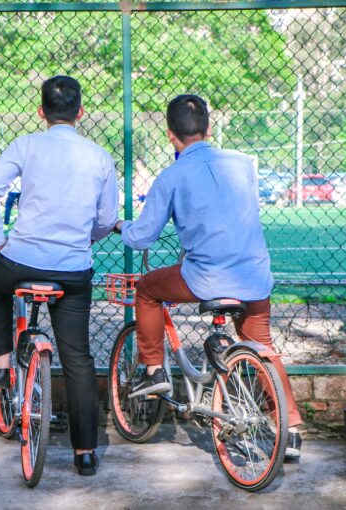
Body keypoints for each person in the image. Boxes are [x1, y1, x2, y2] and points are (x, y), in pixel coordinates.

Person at [113, 94, 303, 461]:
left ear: (170, 135)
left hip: (207, 277)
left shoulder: (171, 176)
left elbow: (142, 237)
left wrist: (121, 225)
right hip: (254, 275)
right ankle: (291, 429)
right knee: (262, 345)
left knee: (148, 289)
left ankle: (154, 369)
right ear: (209, 128)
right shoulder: (242, 163)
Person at [0, 76, 118, 476]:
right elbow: (106, 220)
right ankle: (85, 452)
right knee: (79, 358)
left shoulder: (26, 144)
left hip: (20, 260)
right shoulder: (100, 156)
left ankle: (0, 361)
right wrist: (85, 238)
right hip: (72, 269)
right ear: (80, 113)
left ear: (41, 112)